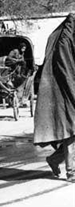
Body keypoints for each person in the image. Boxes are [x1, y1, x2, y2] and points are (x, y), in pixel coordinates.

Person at [34, 13, 75, 183]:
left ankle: (54, 159)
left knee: (72, 130)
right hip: (63, 92)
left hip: (68, 89)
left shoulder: (66, 39)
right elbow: (66, 71)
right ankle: (72, 172)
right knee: (71, 129)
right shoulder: (64, 42)